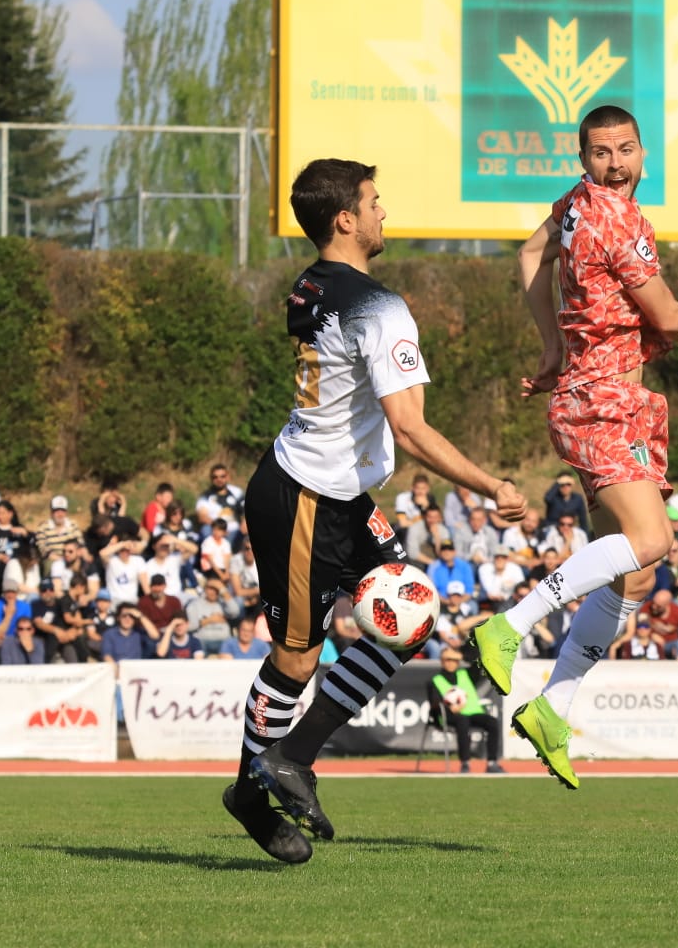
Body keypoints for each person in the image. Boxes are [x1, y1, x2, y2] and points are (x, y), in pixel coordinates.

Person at [233, 157, 525, 865]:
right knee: (296, 660)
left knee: (410, 612)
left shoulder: (309, 285)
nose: (382, 212)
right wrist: (493, 488)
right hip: (303, 497)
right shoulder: (379, 305)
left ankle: (295, 756)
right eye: (373, 201)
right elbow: (412, 429)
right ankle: (250, 787)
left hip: (333, 495)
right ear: (346, 219)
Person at [469, 105, 678, 791]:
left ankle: (553, 709)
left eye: (624, 150)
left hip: (602, 400)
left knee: (634, 579)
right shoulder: (621, 220)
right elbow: (668, 317)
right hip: (604, 402)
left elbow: (530, 254)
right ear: (583, 159)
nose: (614, 163)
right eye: (600, 153)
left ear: (642, 153)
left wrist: (551, 344)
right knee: (652, 544)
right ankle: (510, 625)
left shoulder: (576, 206)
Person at [426, 649, 505, 773]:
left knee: (492, 722)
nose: (451, 663)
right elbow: (434, 703)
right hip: (449, 716)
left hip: (472, 713)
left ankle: (492, 763)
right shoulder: (435, 681)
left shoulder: (466, 674)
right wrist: (448, 706)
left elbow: (478, 660)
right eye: (448, 659)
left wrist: (463, 654)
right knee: (462, 721)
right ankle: (465, 763)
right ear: (442, 661)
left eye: (455, 660)